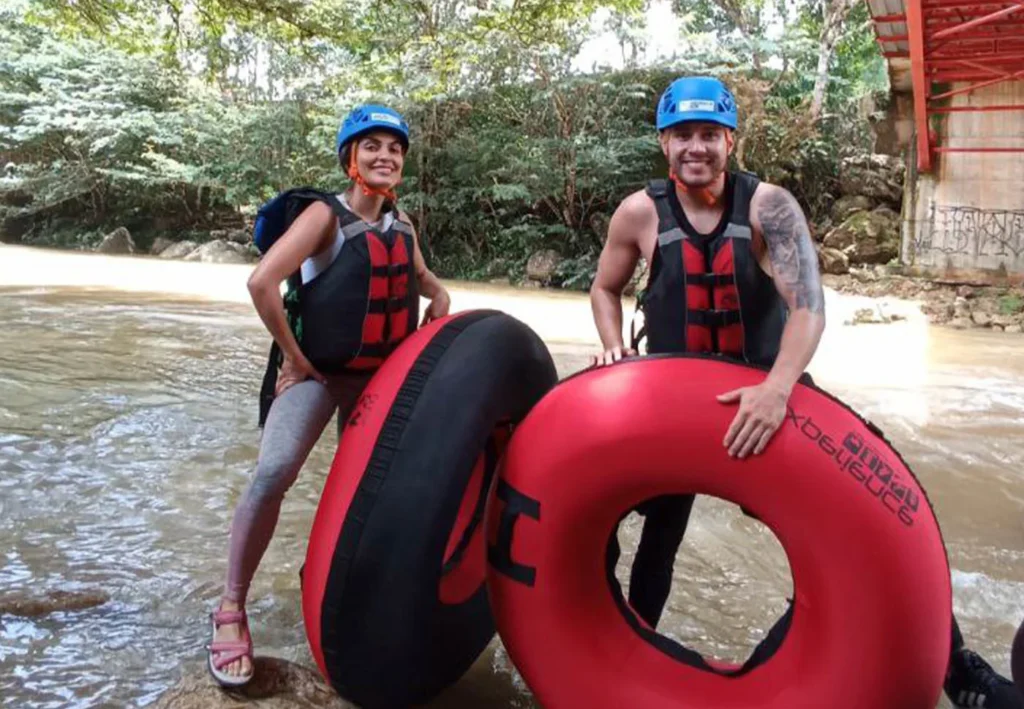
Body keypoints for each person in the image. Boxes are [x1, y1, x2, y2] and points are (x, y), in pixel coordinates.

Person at [590, 76, 1021, 709]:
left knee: (869, 507)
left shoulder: (769, 208)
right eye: (682, 135)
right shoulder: (638, 213)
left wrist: (777, 388)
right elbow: (605, 287)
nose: (695, 147)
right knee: (657, 538)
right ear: (664, 143)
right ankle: (624, 658)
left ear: (730, 140)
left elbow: (809, 307)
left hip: (762, 392)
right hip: (672, 404)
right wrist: (613, 350)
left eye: (709, 134)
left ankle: (956, 667)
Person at [206, 104, 451, 687]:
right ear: (350, 158)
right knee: (273, 473)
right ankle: (231, 605)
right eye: (372, 146)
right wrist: (294, 358)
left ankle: (323, 584)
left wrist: (436, 311)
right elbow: (261, 282)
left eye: (395, 148)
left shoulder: (403, 224)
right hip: (318, 375)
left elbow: (427, 285)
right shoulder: (324, 217)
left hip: (377, 382)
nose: (385, 155)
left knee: (367, 494)